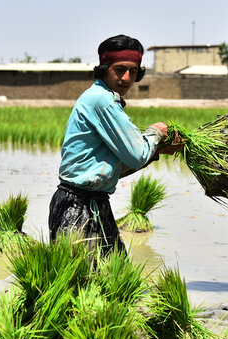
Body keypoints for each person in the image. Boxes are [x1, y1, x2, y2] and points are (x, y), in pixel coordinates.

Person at [48, 34, 183, 254]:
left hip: (94, 203)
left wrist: (157, 150)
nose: (127, 78)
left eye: (134, 71)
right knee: (82, 282)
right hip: (78, 207)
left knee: (114, 280)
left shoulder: (102, 99)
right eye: (120, 69)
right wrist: (156, 132)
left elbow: (115, 169)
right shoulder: (102, 100)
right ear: (104, 68)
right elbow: (137, 155)